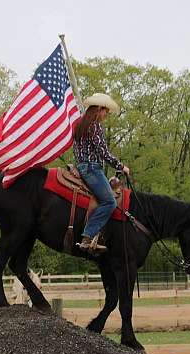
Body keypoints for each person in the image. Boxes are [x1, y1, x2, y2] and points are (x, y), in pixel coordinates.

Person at [72, 93, 130, 252]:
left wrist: (79, 166)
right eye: (106, 111)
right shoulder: (94, 126)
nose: (106, 115)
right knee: (110, 202)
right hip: (92, 169)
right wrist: (121, 166)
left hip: (83, 167)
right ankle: (88, 236)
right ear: (98, 109)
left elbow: (77, 150)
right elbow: (103, 152)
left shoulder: (80, 124)